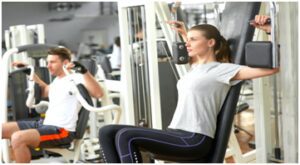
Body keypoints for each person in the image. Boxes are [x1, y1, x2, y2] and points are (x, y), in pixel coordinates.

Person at [98, 15, 279, 163]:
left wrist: (270, 31)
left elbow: (272, 69)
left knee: (126, 136)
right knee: (106, 131)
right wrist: (186, 34)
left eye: (193, 40)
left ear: (210, 43)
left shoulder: (223, 70)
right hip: (176, 133)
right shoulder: (195, 68)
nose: (187, 43)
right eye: (188, 40)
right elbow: (196, 54)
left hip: (194, 139)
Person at [1, 47, 103, 163]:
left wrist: (84, 71)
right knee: (2, 129)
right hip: (44, 124)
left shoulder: (76, 79)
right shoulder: (58, 80)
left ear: (65, 63)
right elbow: (45, 90)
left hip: (61, 131)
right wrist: (29, 72)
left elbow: (98, 93)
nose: (48, 66)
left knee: (18, 138)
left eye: (52, 62)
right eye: (47, 62)